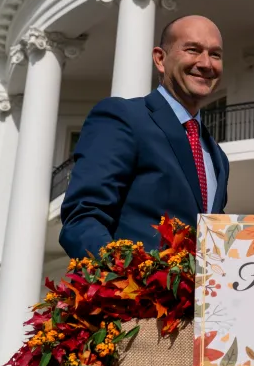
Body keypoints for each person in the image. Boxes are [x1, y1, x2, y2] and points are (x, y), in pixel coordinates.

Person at [59, 15, 230, 258]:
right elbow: (84, 216)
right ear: (160, 59)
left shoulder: (217, 156)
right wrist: (121, 280)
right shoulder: (123, 117)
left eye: (215, 54)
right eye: (193, 50)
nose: (206, 63)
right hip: (131, 292)